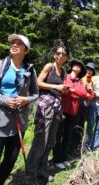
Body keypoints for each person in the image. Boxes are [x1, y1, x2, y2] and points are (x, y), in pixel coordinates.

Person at [0, 34, 39, 185]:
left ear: (26, 50)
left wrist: (26, 100)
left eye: (19, 43)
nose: (14, 45)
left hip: (19, 123)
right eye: (13, 42)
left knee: (10, 160)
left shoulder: (30, 70)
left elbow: (35, 94)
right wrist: (5, 100)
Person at [26, 41, 69, 182]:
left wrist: (64, 89)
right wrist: (56, 87)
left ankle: (42, 169)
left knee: (51, 140)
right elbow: (38, 82)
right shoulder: (49, 66)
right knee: (41, 140)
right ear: (54, 55)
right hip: (45, 105)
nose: (60, 56)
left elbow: (59, 88)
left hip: (57, 107)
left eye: (63, 54)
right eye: (58, 53)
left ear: (66, 57)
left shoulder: (63, 72)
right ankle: (30, 172)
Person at [53, 59, 90, 169]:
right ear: (72, 66)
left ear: (81, 70)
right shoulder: (66, 76)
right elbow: (63, 89)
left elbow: (84, 93)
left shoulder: (80, 81)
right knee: (58, 135)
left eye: (80, 66)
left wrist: (71, 91)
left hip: (73, 111)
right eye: (76, 65)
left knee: (68, 135)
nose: (77, 66)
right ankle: (56, 159)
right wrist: (75, 94)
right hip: (62, 109)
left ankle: (64, 158)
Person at [71, 62, 95, 155]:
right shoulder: (81, 79)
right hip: (79, 105)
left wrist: (89, 93)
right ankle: (72, 148)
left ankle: (77, 148)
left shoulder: (91, 81)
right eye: (88, 69)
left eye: (91, 70)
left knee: (81, 127)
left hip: (86, 107)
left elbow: (91, 95)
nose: (89, 71)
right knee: (75, 126)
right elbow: (82, 93)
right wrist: (88, 93)